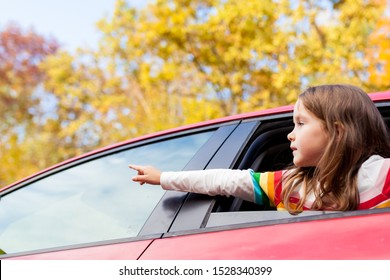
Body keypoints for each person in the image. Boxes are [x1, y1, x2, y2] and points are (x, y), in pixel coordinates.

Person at [129, 84, 390, 214]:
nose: (290, 134)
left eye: (300, 123)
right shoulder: (290, 185)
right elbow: (226, 180)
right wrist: (163, 177)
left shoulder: (384, 174)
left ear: (338, 131)